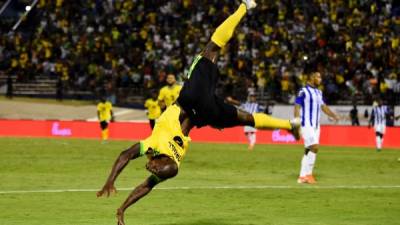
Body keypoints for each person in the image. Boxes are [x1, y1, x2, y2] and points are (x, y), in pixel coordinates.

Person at [97, 2, 301, 224]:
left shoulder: (168, 158)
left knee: (246, 118)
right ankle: (245, 5)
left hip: (201, 113)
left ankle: (290, 125)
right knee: (212, 48)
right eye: (154, 167)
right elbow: (129, 159)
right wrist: (113, 185)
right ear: (163, 161)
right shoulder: (157, 147)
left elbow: (137, 172)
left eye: (153, 167)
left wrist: (119, 202)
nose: (150, 166)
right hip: (196, 104)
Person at [295, 71, 339, 184]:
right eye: (318, 77)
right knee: (315, 147)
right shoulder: (303, 91)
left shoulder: (319, 92)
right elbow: (297, 107)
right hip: (306, 124)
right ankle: (309, 175)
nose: (320, 79)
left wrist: (333, 115)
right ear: (312, 77)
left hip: (316, 126)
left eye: (320, 77)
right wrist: (297, 123)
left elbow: (323, 107)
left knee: (308, 150)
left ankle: (301, 176)